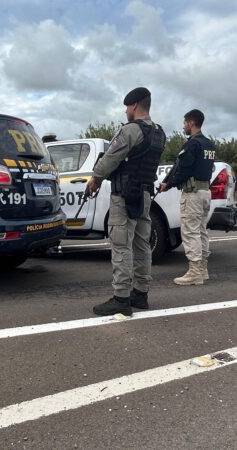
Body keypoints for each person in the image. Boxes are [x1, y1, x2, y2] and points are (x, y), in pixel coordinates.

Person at [86, 87, 166, 316]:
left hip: (124, 195)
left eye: (126, 107)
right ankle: (140, 294)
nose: (125, 111)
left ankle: (121, 298)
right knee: (142, 245)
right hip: (145, 195)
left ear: (134, 106)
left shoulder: (129, 130)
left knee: (121, 245)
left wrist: (95, 179)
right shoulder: (160, 132)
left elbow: (111, 157)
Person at [159, 109, 215, 285]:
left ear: (191, 123)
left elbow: (183, 169)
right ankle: (203, 269)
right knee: (201, 231)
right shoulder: (209, 144)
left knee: (190, 232)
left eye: (184, 123)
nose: (183, 126)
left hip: (192, 194)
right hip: (205, 192)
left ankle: (194, 272)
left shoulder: (192, 144)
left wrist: (168, 184)